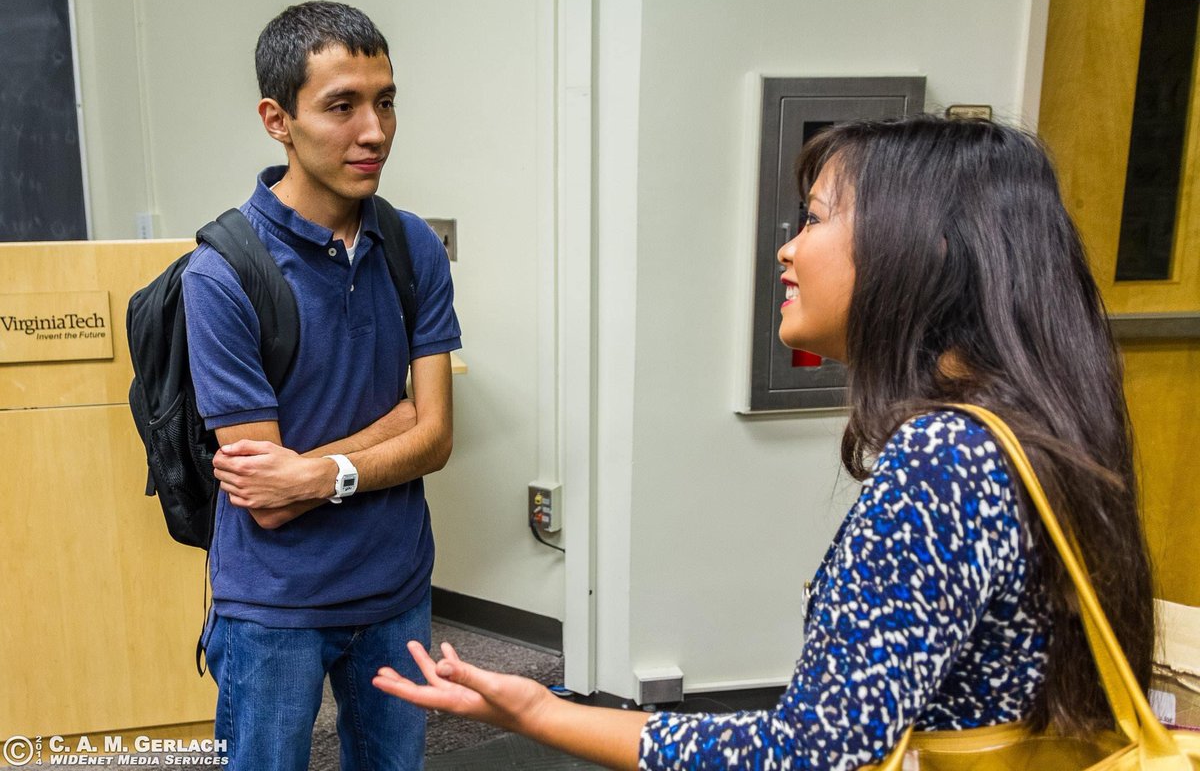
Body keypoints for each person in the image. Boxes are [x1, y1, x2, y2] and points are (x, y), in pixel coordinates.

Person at [371, 115, 1155, 769]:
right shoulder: (1031, 428)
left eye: (814, 218)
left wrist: (546, 715)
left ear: (924, 248)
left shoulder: (947, 459)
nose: (787, 248)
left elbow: (811, 753)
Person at [181, 1, 460, 771]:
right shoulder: (223, 273)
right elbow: (268, 502)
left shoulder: (412, 247)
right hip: (273, 607)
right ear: (278, 118)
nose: (374, 130)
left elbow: (435, 439)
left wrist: (318, 470)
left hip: (397, 592)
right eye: (341, 105)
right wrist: (384, 431)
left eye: (385, 100)